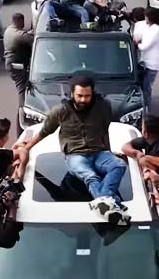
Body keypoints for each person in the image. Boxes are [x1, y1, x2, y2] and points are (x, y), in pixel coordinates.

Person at [23, 75, 130, 226]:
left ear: (93, 93)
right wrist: (26, 148)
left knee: (118, 165)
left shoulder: (104, 106)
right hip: (75, 155)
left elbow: (104, 131)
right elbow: (44, 131)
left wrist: (110, 151)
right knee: (90, 176)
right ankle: (112, 203)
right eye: (80, 96)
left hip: (99, 152)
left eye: (87, 96)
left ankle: (104, 202)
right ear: (72, 93)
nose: (83, 100)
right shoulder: (60, 111)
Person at [121, 114, 159, 181]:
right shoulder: (146, 141)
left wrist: (148, 159)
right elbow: (125, 147)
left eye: (142, 128)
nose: (141, 129)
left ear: (146, 133)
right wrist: (136, 153)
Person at [136, 7, 159, 112]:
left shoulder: (156, 30)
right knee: (143, 88)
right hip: (146, 62)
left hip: (152, 64)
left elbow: (145, 46)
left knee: (146, 89)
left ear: (149, 17)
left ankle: (147, 112)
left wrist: (137, 44)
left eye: (146, 16)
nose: (145, 18)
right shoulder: (149, 27)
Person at [3, 13, 33, 108]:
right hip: (17, 65)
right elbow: (33, 40)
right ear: (20, 21)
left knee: (24, 85)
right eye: (23, 21)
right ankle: (22, 110)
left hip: (11, 63)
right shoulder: (19, 34)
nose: (24, 24)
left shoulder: (8, 30)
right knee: (22, 88)